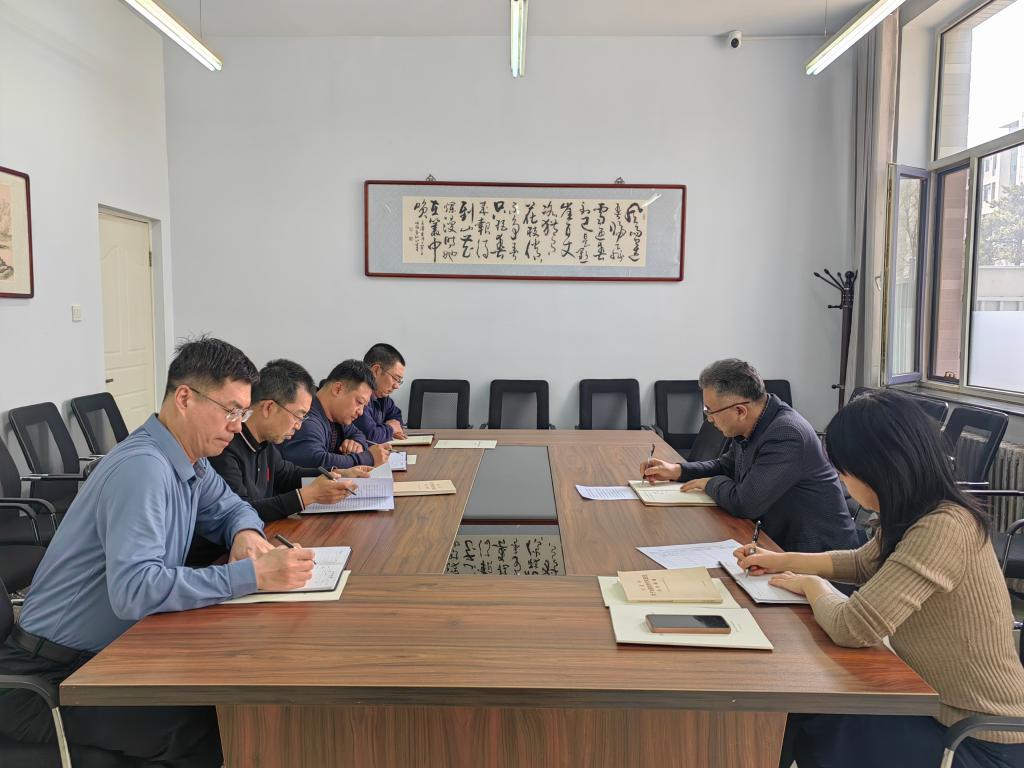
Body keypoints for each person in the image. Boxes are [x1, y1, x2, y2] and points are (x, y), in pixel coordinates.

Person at [0, 337, 315, 766]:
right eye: (230, 411)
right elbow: (135, 590)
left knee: (221, 699)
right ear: (184, 398)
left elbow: (233, 507)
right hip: (51, 680)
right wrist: (254, 575)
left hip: (107, 655)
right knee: (205, 728)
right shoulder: (143, 469)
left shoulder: (189, 460)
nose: (238, 426)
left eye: (243, 413)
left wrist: (243, 532)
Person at [735, 389, 1024, 768]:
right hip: (934, 708)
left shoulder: (943, 527)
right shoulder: (919, 510)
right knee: (809, 706)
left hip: (976, 740)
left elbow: (853, 627)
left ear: (877, 470)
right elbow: (863, 562)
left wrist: (811, 585)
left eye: (843, 472)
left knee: (814, 715)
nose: (841, 481)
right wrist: (781, 560)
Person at [642, 359, 860, 552]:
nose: (709, 419)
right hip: (774, 542)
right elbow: (726, 466)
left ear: (740, 411)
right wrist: (677, 470)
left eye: (710, 411)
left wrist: (709, 483)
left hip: (815, 556)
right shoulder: (757, 422)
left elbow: (745, 503)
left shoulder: (786, 434)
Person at [186, 358, 369, 566]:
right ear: (268, 408)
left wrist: (338, 473)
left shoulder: (265, 444)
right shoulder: (224, 446)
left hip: (255, 546)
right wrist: (307, 496)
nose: (299, 426)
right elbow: (241, 509)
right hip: (219, 560)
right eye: (298, 416)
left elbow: (288, 474)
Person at [280, 358, 390, 470]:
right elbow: (316, 461)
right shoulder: (306, 419)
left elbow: (357, 433)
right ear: (338, 389)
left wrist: (357, 443)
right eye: (359, 402)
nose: (361, 412)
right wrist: (368, 458)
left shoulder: (338, 416)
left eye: (364, 406)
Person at [344, 343, 408, 450]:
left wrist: (386, 429)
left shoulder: (382, 396)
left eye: (399, 381)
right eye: (395, 378)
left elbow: (396, 417)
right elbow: (370, 435)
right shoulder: (358, 397)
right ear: (376, 370)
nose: (396, 386)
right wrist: (390, 428)